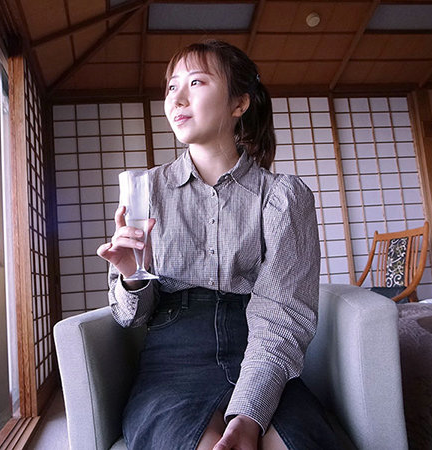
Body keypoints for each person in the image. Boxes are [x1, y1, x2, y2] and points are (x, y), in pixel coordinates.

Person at [96, 40, 339, 450]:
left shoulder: (283, 197)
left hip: (261, 353)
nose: (177, 98)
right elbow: (130, 317)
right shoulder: (144, 190)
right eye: (171, 86)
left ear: (239, 103)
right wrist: (133, 276)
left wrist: (250, 415)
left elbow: (282, 314)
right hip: (172, 364)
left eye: (196, 82)